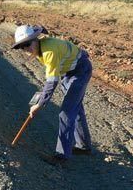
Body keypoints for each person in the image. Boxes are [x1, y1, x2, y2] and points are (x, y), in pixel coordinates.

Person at [11, 24, 93, 164]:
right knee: (75, 108)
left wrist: (39, 104)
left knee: (66, 112)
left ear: (36, 39)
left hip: (80, 71)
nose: (26, 49)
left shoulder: (49, 51)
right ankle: (84, 147)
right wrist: (40, 100)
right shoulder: (39, 50)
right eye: (22, 47)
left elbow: (51, 83)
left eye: (28, 44)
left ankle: (61, 156)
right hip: (68, 72)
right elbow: (51, 77)